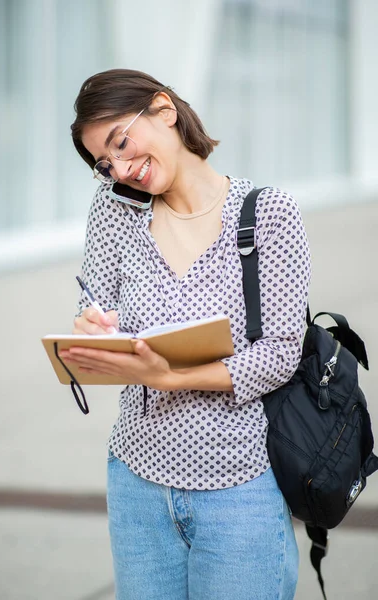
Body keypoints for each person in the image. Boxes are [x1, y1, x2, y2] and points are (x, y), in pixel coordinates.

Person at [63, 68, 311, 600]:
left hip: (239, 486)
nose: (121, 168)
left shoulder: (267, 213)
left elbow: (281, 354)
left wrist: (170, 377)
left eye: (121, 142)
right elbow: (93, 305)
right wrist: (93, 326)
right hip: (136, 482)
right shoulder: (114, 211)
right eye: (105, 164)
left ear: (164, 109)